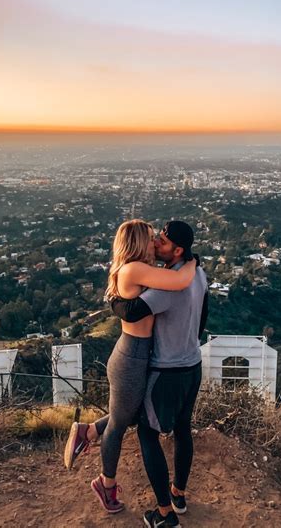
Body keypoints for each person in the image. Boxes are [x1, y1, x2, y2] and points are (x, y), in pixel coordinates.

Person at [63, 219, 196, 514]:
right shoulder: (134, 269)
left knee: (132, 414)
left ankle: (87, 432)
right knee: (121, 424)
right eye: (150, 238)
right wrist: (193, 261)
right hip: (131, 358)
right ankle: (105, 484)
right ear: (137, 242)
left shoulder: (140, 269)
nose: (155, 243)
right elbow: (180, 281)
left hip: (140, 355)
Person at [112, 220, 208, 528]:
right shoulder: (199, 275)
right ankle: (178, 494)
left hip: (167, 371)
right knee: (182, 429)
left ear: (177, 250)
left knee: (147, 433)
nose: (156, 245)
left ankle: (165, 514)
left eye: (162, 242)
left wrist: (113, 297)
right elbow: (203, 316)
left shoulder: (166, 287)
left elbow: (131, 312)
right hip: (193, 364)